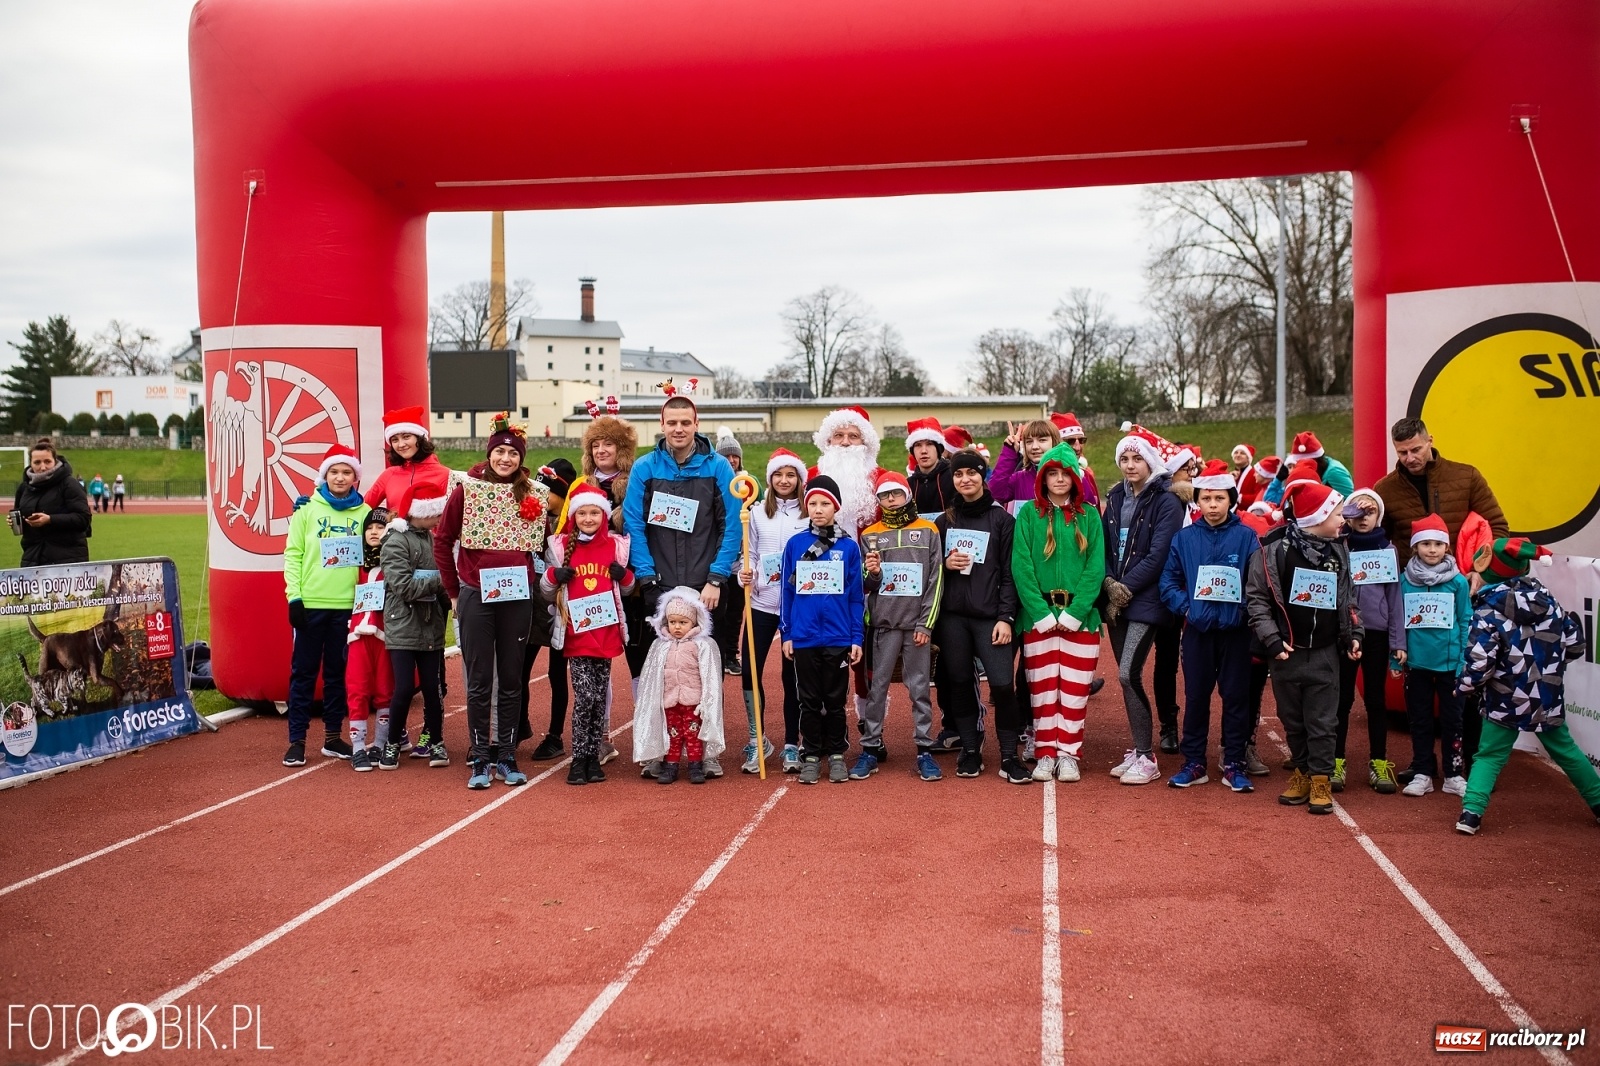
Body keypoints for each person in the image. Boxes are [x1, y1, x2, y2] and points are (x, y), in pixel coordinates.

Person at [622, 387, 742, 780]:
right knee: (660, 671)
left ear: (696, 425)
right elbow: (635, 525)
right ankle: (660, 748)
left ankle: (706, 750)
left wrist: (717, 578)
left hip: (705, 583)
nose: (678, 429)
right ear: (661, 425)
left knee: (707, 670)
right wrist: (647, 577)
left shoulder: (718, 468)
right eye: (671, 422)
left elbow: (730, 526)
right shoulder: (644, 467)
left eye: (685, 423)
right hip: (661, 583)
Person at [1452, 538, 1600, 834]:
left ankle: (1471, 813)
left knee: (1490, 755)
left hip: (1505, 697)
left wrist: (1464, 687)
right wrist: (1549, 670)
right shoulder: (1550, 602)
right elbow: (1575, 644)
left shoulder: (1486, 611)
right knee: (1566, 751)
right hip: (1546, 694)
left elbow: (1480, 662)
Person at [434, 413, 549, 790]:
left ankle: (508, 754)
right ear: (489, 453)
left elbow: (541, 544)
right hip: (474, 595)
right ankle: (480, 757)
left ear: (520, 458)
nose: (506, 459)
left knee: (513, 677)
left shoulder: (532, 493)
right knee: (480, 678)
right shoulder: (467, 490)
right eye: (499, 451)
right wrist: (454, 590)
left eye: (512, 454)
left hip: (515, 596)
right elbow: (442, 540)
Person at [1246, 478, 1362, 815]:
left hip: (1326, 653)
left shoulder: (1340, 552)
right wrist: (1272, 639)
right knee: (1292, 720)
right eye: (1337, 512)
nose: (1343, 518)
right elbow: (1257, 600)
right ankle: (1302, 771)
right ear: (1315, 517)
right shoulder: (1274, 553)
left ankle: (1322, 779)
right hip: (1286, 652)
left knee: (1323, 722)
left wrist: (1356, 634)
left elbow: (1350, 600)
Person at [1158, 460, 1261, 792]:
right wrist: (1188, 608)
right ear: (1197, 502)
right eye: (1206, 499)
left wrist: (1243, 612)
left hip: (1236, 634)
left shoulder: (1247, 538)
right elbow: (1169, 583)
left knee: (1235, 698)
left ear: (1231, 499)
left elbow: (1258, 584)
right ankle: (1194, 762)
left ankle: (1234, 762)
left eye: (1219, 499)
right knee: (1197, 696)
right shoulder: (1184, 539)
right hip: (1198, 632)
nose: (1213, 505)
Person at [1013, 443, 1105, 783]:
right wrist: (1039, 612)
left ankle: (1068, 753)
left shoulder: (1089, 515)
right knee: (1042, 688)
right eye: (1052, 473)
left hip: (1081, 620)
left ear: (1075, 477)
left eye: (1065, 473)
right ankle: (1045, 752)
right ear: (1042, 477)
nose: (1059, 479)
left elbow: (1095, 568)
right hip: (1038, 619)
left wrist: (1076, 612)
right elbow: (1021, 566)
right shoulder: (1028, 515)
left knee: (1076, 688)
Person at [1100, 425, 1187, 782]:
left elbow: (1159, 554)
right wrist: (1107, 582)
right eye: (1124, 458)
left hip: (1146, 599)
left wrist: (1125, 587)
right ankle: (1137, 749)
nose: (1130, 464)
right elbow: (1104, 544)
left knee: (1126, 673)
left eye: (1137, 458)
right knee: (1127, 678)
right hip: (1115, 598)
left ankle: (1147, 758)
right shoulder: (1116, 497)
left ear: (1151, 462)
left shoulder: (1167, 500)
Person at [933, 449, 1019, 781]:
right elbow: (930, 574)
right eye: (958, 474)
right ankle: (970, 750)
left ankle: (1010, 756)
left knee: (1002, 686)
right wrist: (944, 564)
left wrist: (1006, 617)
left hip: (990, 618)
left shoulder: (1002, 521)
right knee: (958, 683)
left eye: (971, 473)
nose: (965, 479)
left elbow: (1012, 575)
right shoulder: (944, 521)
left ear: (983, 476)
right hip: (953, 618)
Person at [281, 445, 369, 766]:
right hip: (311, 605)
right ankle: (297, 740)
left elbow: (374, 555)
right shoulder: (306, 511)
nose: (340, 477)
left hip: (349, 607)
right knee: (303, 674)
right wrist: (295, 597)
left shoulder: (365, 513)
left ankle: (333, 738)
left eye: (347, 472)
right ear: (324, 475)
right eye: (334, 472)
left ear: (355, 478)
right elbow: (293, 555)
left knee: (337, 674)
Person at [857, 470, 945, 780]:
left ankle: (924, 749)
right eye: (884, 496)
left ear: (907, 495)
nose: (891, 500)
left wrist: (926, 624)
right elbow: (867, 585)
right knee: (876, 688)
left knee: (919, 690)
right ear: (878, 500)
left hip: (916, 627)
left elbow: (935, 580)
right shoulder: (870, 534)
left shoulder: (928, 530)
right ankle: (870, 748)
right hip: (883, 626)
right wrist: (874, 573)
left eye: (896, 494)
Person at [545, 482, 634, 785]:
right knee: (585, 696)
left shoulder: (616, 545)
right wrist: (553, 576)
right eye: (582, 513)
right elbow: (545, 589)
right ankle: (578, 758)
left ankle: (593, 757)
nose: (588, 518)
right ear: (573, 515)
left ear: (604, 515)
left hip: (605, 632)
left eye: (594, 513)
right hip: (577, 633)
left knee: (598, 697)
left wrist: (625, 576)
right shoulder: (559, 546)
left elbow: (628, 586)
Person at [780, 475, 865, 786]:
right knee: (809, 699)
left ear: (836, 507)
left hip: (838, 637)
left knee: (835, 698)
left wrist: (856, 637)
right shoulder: (795, 545)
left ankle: (838, 753)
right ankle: (812, 754)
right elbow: (786, 594)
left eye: (824, 503)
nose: (817, 509)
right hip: (804, 637)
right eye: (812, 503)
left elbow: (856, 597)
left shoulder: (849, 548)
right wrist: (787, 633)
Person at [736, 448, 809, 773]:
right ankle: (757, 739)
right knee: (751, 670)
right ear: (769, 479)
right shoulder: (754, 512)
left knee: (791, 675)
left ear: (799, 479)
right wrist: (745, 573)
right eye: (778, 475)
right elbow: (746, 556)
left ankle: (793, 743)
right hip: (761, 604)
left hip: (796, 608)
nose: (783, 480)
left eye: (790, 475)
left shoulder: (809, 513)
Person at [1395, 514, 1473, 799]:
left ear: (1447, 548)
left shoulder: (1458, 583)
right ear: (1415, 547)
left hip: (1451, 666)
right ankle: (1423, 772)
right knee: (1420, 719)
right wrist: (1395, 659)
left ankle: (1454, 774)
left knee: (1453, 722)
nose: (1432, 549)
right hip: (1416, 665)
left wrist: (1464, 659)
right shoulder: (1405, 581)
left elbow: (1465, 619)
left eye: (1438, 544)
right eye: (1425, 543)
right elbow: (1399, 620)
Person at [376, 484, 451, 773]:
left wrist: (453, 599)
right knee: (404, 688)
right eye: (434, 515)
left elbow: (441, 583)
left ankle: (436, 741)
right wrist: (441, 580)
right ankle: (392, 743)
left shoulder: (432, 539)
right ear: (420, 513)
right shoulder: (395, 541)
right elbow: (402, 587)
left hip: (431, 625)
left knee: (433, 688)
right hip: (403, 625)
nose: (438, 520)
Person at [1336, 488, 1404, 794]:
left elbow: (1396, 598)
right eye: (1358, 513)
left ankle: (1379, 762)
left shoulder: (1389, 551)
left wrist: (1397, 641)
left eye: (1371, 512)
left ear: (1380, 515)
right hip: (1345, 632)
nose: (1365, 519)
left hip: (1376, 635)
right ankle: (1335, 762)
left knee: (1375, 700)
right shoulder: (1339, 547)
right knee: (1341, 700)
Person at [1374, 417, 1507, 568]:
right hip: (1409, 582)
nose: (1410, 458)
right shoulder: (1384, 489)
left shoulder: (1467, 476)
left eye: (1416, 450)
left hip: (1462, 577)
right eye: (1402, 452)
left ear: (1430, 441)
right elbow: (1378, 539)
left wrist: (1482, 572)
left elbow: (1498, 527)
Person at [633, 587, 725, 784]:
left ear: (694, 621)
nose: (677, 627)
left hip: (693, 701)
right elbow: (651, 678)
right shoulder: (660, 645)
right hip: (669, 701)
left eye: (683, 622)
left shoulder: (703, 645)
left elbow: (709, 676)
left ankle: (695, 766)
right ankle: (670, 766)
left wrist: (705, 701)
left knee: (693, 735)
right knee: (672, 735)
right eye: (672, 622)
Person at [526, 460, 575, 761]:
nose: (540, 495)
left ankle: (555, 735)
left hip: (562, 604)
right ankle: (519, 724)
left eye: (547, 491)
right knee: (519, 670)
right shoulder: (530, 515)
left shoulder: (572, 520)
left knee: (557, 673)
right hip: (531, 603)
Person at [347, 508, 395, 771]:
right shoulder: (354, 563)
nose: (374, 532)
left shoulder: (395, 561)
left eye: (381, 527)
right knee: (358, 689)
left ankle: (379, 743)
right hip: (357, 636)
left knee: (385, 690)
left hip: (385, 636)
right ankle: (357, 748)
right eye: (370, 528)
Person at [810, 405, 886, 538]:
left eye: (853, 436)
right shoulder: (809, 477)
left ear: (865, 442)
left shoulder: (882, 478)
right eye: (838, 435)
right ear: (829, 440)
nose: (845, 442)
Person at [12, 439, 91, 566]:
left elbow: (83, 519)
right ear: (30, 463)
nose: (42, 467)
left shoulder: (69, 484)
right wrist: (17, 522)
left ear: (55, 461)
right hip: (32, 558)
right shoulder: (24, 488)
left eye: (47, 461)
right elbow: (21, 519)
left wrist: (50, 519)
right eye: (37, 462)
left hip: (67, 560)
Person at [360, 406, 450, 510]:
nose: (401, 444)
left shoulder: (446, 475)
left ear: (420, 438)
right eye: (395, 440)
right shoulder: (389, 475)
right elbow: (362, 511)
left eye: (406, 437)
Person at [712, 426, 748, 677]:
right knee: (718, 610)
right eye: (726, 455)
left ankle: (731, 654)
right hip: (717, 557)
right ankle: (717, 654)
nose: (731, 460)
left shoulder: (748, 485)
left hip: (740, 557)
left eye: (734, 455)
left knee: (736, 610)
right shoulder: (712, 482)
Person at [992, 419, 1058, 518]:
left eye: (1042, 440)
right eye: (1029, 441)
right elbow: (996, 493)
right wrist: (1009, 451)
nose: (1034, 447)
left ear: (1055, 442)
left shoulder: (1074, 477)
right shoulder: (1019, 479)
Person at [904, 416, 957, 519]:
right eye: (918, 445)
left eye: (929, 444)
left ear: (938, 449)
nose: (924, 451)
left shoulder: (955, 477)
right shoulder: (908, 485)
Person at [1052, 413, 1100, 508]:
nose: (1078, 447)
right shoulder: (1040, 476)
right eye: (1070, 441)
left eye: (1082, 440)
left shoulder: (1087, 476)